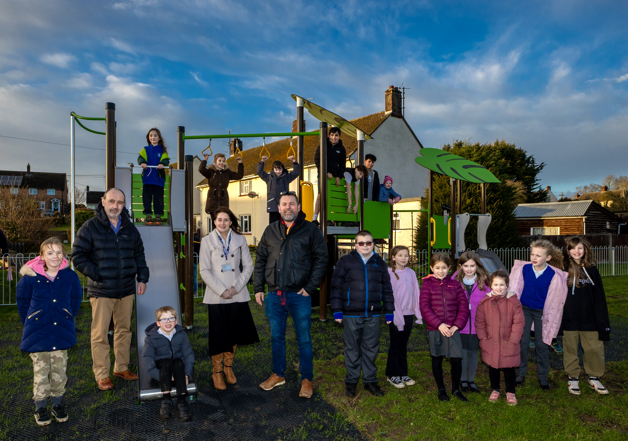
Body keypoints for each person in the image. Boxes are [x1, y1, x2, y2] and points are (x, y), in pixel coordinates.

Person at [72, 188, 149, 391]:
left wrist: (142, 278)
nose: (116, 206)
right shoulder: (89, 227)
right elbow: (78, 256)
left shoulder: (129, 228)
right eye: (112, 201)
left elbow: (139, 254)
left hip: (126, 290)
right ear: (103, 201)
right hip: (102, 291)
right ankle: (102, 374)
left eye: (120, 203)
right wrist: (97, 274)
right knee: (100, 334)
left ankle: (121, 367)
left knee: (124, 330)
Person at [254, 191, 328, 398]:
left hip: (299, 296)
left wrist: (310, 287)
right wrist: (258, 288)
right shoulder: (270, 230)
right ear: (279, 208)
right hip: (275, 296)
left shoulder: (311, 230)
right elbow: (260, 259)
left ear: (298, 207)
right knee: (277, 337)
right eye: (284, 204)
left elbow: (322, 259)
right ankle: (278, 374)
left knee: (304, 339)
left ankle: (307, 379)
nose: (288, 207)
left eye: (292, 204)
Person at [17, 237, 82, 426]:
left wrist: (67, 315)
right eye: (50, 252)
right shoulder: (29, 278)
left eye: (59, 252)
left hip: (61, 331)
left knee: (60, 370)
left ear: (64, 254)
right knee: (41, 370)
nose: (55, 256)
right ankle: (40, 406)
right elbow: (23, 303)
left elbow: (76, 299)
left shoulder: (69, 276)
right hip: (38, 333)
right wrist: (30, 321)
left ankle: (57, 404)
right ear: (42, 256)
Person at [200, 207, 259, 390]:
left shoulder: (241, 239)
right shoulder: (207, 240)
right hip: (217, 296)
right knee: (219, 334)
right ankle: (216, 372)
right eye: (219, 220)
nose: (222, 223)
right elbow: (204, 270)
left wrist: (235, 288)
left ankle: (228, 368)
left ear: (231, 222)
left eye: (226, 220)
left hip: (236, 293)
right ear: (214, 221)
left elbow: (248, 267)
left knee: (234, 333)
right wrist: (221, 290)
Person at [330, 231, 394, 397]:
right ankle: (351, 382)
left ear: (373, 244)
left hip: (373, 315)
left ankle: (370, 381)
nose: (365, 246)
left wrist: (389, 312)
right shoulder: (345, 261)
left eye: (369, 243)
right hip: (351, 315)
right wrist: (337, 310)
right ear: (355, 245)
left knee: (371, 348)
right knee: (352, 349)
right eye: (361, 243)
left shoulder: (379, 263)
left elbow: (387, 289)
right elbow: (336, 287)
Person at [509, 239, 567, 390]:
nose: (534, 258)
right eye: (532, 254)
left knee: (542, 345)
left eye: (539, 256)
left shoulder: (554, 275)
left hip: (543, 312)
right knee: (522, 342)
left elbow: (556, 298)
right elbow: (514, 287)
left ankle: (542, 376)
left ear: (548, 258)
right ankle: (520, 373)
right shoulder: (524, 269)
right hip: (525, 310)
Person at [562, 236, 610, 395]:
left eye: (580, 248)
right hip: (569, 318)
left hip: (590, 318)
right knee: (570, 349)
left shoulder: (592, 270)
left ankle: (594, 377)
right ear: (568, 251)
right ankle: (573, 377)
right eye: (573, 248)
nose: (577, 251)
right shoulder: (563, 270)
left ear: (585, 250)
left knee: (593, 348)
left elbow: (600, 297)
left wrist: (602, 320)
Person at [419, 253, 469, 402]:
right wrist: (438, 324)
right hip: (436, 328)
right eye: (437, 268)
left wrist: (457, 325)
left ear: (449, 268)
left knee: (456, 359)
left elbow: (463, 307)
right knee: (437, 357)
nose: (440, 271)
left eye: (444, 268)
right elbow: (424, 307)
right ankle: (441, 389)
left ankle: (455, 389)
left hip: (453, 328)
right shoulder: (427, 284)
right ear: (431, 268)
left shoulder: (455, 285)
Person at [475, 270, 525, 406]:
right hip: (490, 341)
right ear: (491, 285)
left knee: (509, 368)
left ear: (507, 285)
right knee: (493, 367)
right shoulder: (485, 303)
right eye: (496, 284)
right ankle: (495, 389)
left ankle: (510, 392)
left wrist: (514, 339)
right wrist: (483, 338)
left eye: (502, 285)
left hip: (508, 341)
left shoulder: (514, 302)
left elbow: (519, 322)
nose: (499, 288)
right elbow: (479, 322)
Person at [142, 306, 194, 421]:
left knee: (178, 362)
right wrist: (159, 375)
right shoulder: (151, 338)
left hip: (178, 368)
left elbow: (189, 354)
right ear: (158, 323)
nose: (168, 322)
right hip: (162, 369)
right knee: (166, 362)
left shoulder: (181, 334)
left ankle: (182, 401)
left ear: (176, 321)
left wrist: (187, 374)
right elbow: (147, 359)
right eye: (164, 319)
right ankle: (166, 399)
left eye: (171, 319)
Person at [453, 251, 491, 393]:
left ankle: (471, 380)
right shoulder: (455, 280)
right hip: (460, 324)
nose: (469, 269)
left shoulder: (484, 281)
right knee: (462, 352)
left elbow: (491, 299)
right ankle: (463, 379)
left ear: (477, 266)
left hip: (477, 325)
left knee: (474, 352)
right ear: (460, 266)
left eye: (472, 266)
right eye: (466, 266)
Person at [385, 245, 422, 389]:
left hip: (409, 314)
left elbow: (416, 292)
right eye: (400, 255)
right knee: (395, 344)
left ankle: (402, 373)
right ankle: (392, 374)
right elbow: (389, 295)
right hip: (395, 314)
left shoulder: (411, 273)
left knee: (403, 344)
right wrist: (395, 312)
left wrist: (417, 312)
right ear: (393, 257)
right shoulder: (389, 273)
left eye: (406, 255)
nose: (404, 258)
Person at [313, 127, 346, 223]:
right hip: (323, 174)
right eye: (332, 135)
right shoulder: (323, 145)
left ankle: (330, 218)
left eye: (336, 135)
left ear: (339, 137)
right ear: (328, 135)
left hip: (335, 176)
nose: (334, 137)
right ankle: (315, 218)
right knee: (320, 195)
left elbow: (342, 164)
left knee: (332, 197)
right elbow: (317, 160)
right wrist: (325, 172)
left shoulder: (341, 149)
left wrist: (339, 176)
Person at [137, 128, 170, 225]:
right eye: (151, 135)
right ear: (148, 138)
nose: (153, 137)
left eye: (155, 135)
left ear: (159, 138)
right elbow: (140, 157)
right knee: (146, 197)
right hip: (148, 178)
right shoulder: (145, 149)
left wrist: (162, 164)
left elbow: (166, 160)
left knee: (158, 198)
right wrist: (142, 162)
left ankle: (158, 215)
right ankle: (148, 214)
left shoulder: (162, 150)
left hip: (158, 179)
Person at [199, 152, 244, 221]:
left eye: (223, 161)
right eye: (219, 160)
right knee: (215, 223)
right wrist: (204, 160)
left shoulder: (227, 172)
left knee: (222, 223)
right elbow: (201, 169)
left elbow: (239, 176)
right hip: (212, 202)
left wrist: (240, 163)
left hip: (223, 202)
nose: (221, 163)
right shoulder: (211, 172)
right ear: (215, 162)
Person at [257, 155, 301, 224]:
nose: (278, 171)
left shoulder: (287, 177)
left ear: (282, 169)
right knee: (273, 226)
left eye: (280, 169)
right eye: (276, 169)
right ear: (273, 170)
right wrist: (262, 161)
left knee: (283, 224)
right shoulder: (268, 178)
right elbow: (259, 172)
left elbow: (296, 172)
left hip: (283, 206)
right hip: (273, 205)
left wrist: (294, 161)